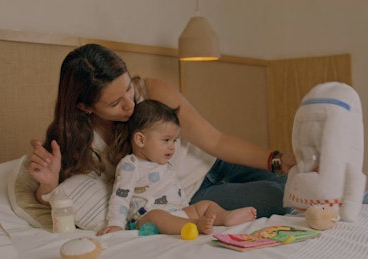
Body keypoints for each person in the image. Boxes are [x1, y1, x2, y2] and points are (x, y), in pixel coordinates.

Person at [28, 43, 296, 221]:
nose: (129, 104)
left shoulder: (151, 91)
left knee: (293, 179)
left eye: (127, 89)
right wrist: (48, 184)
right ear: (85, 106)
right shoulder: (79, 143)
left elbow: (216, 140)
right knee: (280, 197)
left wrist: (277, 160)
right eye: (114, 103)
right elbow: (62, 198)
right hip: (191, 195)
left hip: (217, 164)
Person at [97, 100, 256, 235]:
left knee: (205, 205)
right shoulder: (130, 165)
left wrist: (186, 210)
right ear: (140, 140)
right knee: (157, 216)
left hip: (178, 213)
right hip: (145, 217)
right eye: (166, 140)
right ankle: (195, 225)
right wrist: (116, 223)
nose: (172, 147)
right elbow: (120, 196)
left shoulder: (163, 163)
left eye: (174, 141)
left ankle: (225, 216)